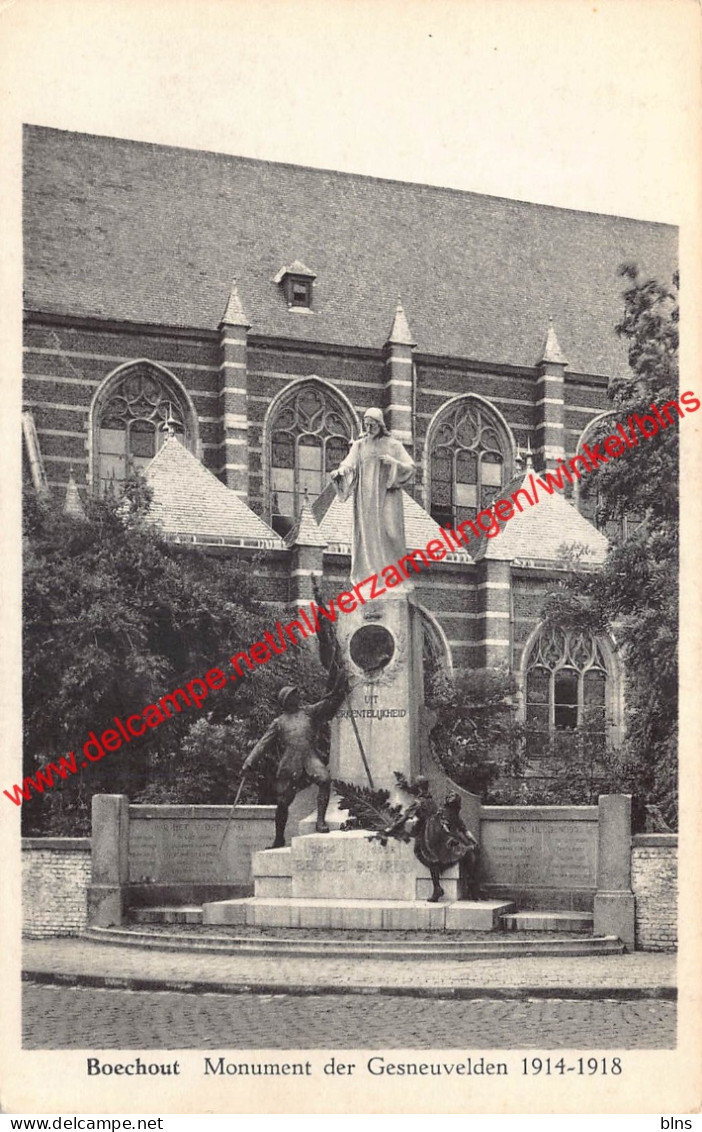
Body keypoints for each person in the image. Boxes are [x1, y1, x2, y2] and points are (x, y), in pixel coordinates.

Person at [242, 674, 346, 848]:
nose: (298, 697)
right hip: (290, 763)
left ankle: (320, 821)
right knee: (283, 802)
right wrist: (249, 762)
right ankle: (279, 838)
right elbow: (263, 744)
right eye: (293, 695)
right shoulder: (279, 722)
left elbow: (326, 704)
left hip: (309, 756)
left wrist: (340, 691)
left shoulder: (308, 712)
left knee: (325, 780)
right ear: (287, 700)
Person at [330, 407, 414, 586]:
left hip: (387, 495)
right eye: (366, 425)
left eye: (372, 425)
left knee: (391, 532)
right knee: (368, 536)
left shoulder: (393, 445)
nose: (368, 429)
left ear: (380, 425)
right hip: (366, 498)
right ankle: (370, 577)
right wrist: (340, 471)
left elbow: (410, 467)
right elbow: (349, 464)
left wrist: (394, 463)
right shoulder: (360, 445)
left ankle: (393, 578)